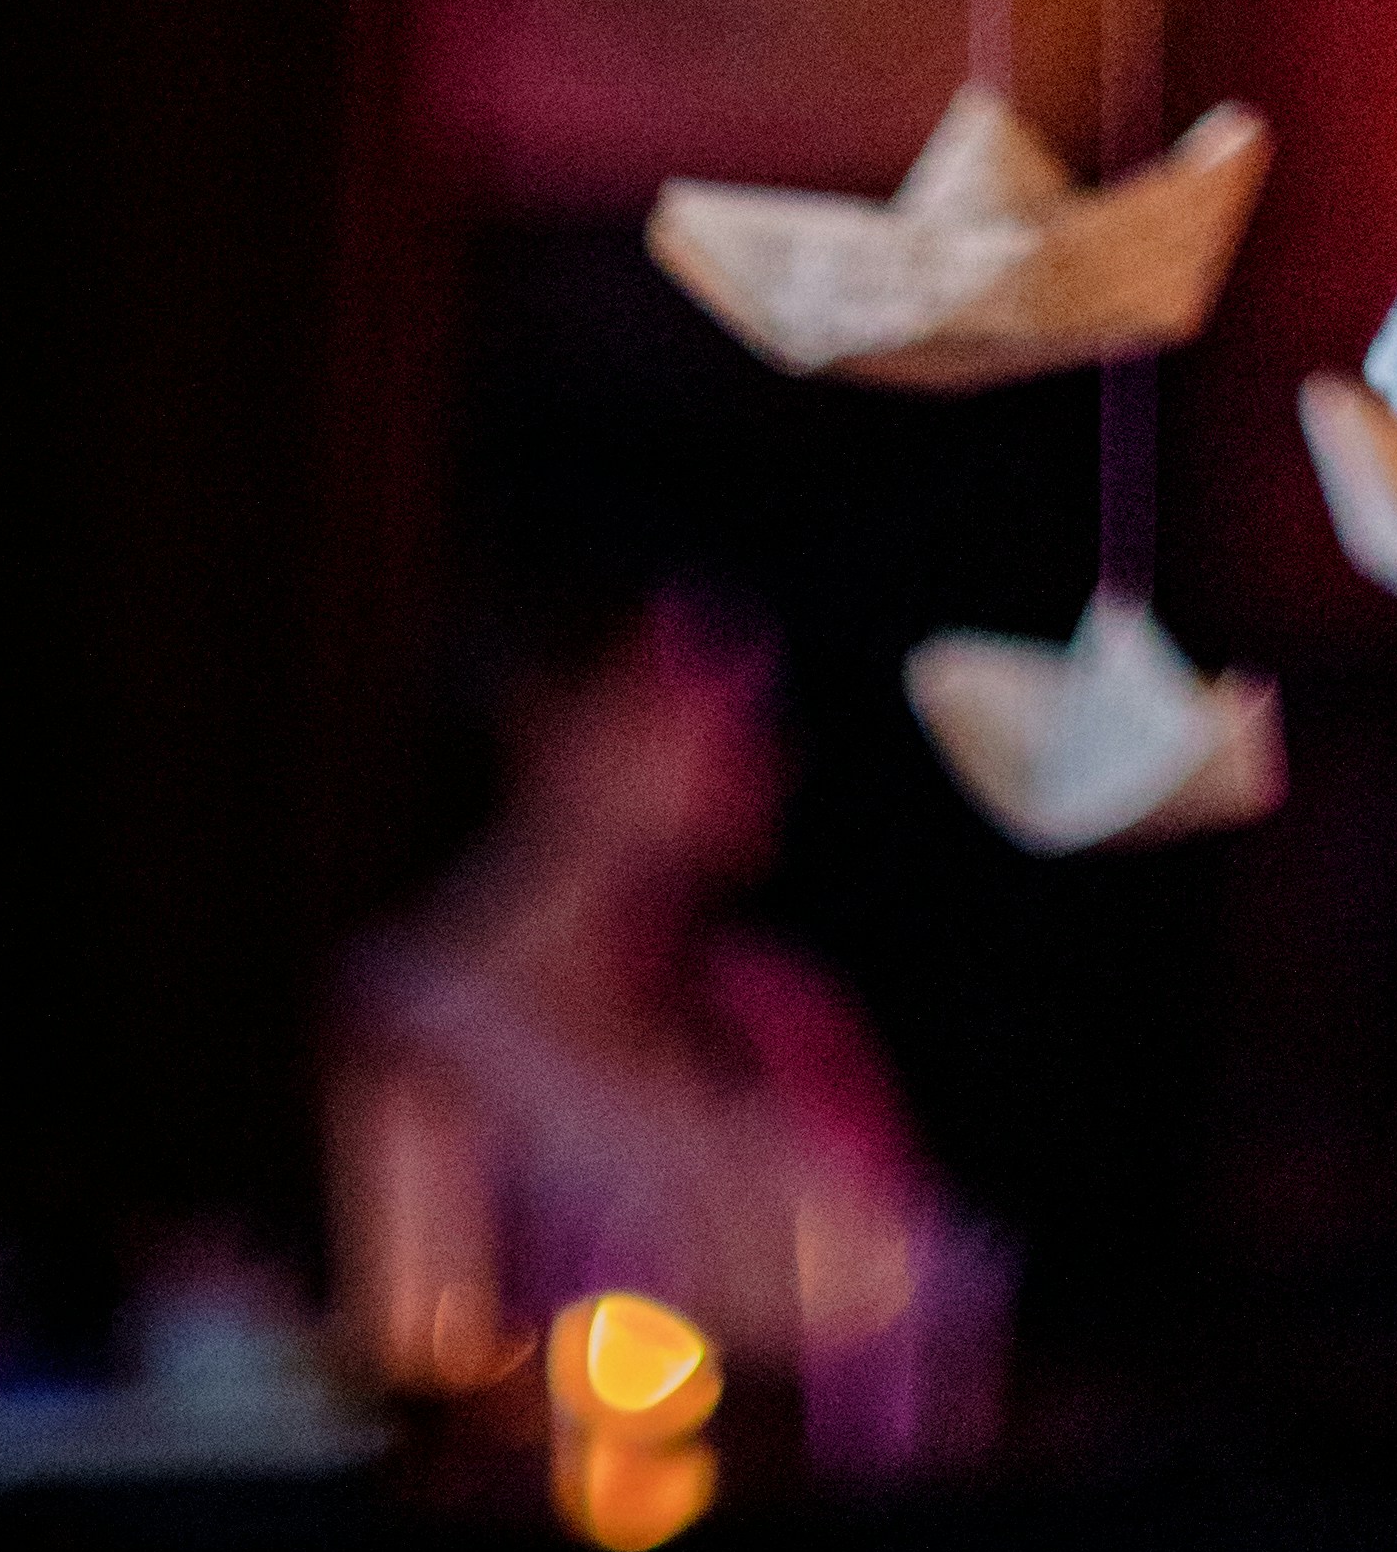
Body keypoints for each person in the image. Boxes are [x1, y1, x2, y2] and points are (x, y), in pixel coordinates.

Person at [332, 594, 960, 1437]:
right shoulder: (422, 1038)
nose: (748, 712)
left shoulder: (788, 1013)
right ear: (554, 724)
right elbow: (425, 1387)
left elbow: (924, 1299)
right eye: (693, 671)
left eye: (758, 687)